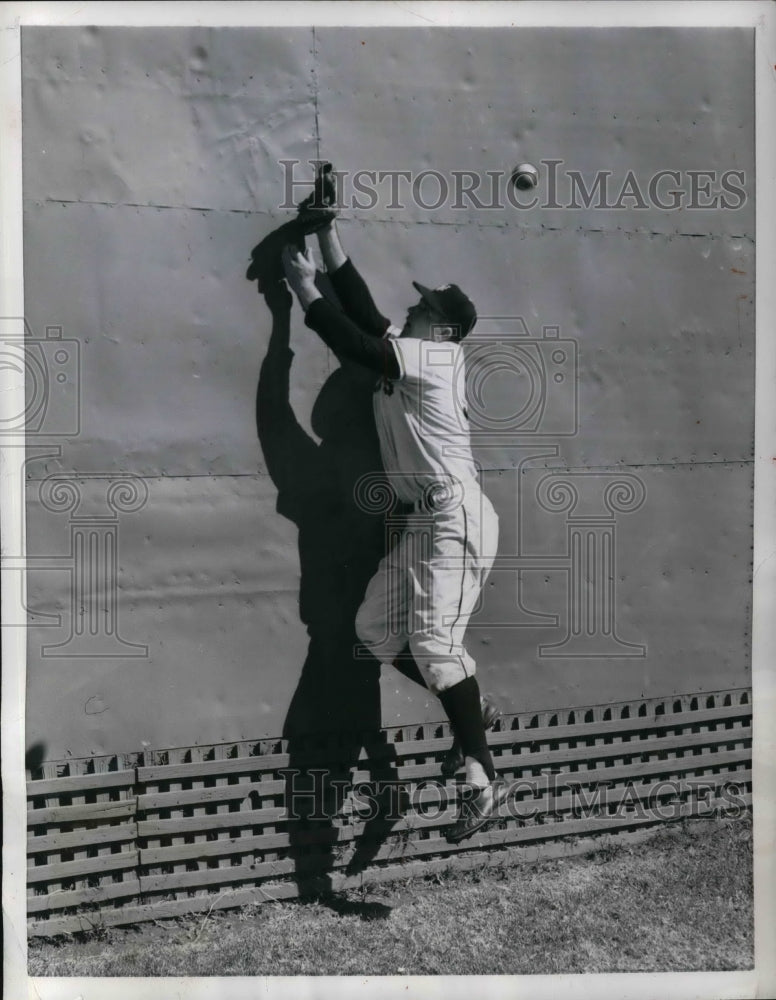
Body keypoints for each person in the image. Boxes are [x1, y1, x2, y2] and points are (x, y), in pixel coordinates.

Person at [280, 191, 504, 843]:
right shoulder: (416, 352)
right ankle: (467, 711)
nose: (409, 309)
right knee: (374, 632)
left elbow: (352, 337)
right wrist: (327, 238)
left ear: (441, 328)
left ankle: (481, 778)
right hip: (424, 523)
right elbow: (367, 313)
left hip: (453, 515)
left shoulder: (435, 359)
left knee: (435, 645)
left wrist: (298, 289)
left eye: (422, 307)